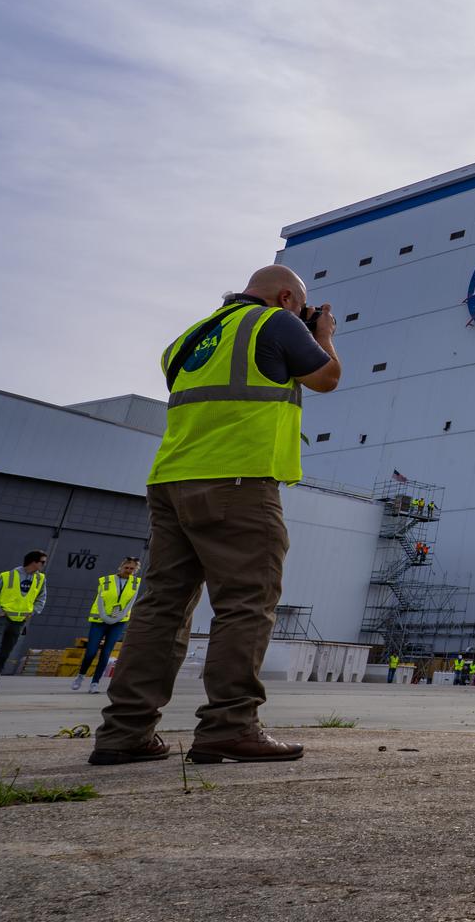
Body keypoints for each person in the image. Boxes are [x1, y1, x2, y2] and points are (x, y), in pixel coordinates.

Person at [90, 265, 341, 767]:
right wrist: (324, 336)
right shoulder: (276, 321)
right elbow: (326, 379)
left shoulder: (187, 339)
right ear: (288, 296)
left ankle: (124, 732)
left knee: (161, 606)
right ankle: (230, 726)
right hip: (239, 479)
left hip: (170, 481)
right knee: (246, 600)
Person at [0, 551, 49, 693]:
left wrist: (33, 611)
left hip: (19, 622)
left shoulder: (41, 579)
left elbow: (41, 598)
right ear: (33, 562)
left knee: (5, 652)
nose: (44, 565)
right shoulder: (7, 576)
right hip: (1, 619)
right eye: (42, 562)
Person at [72, 556, 141, 693]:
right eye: (126, 567)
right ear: (121, 567)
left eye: (132, 569)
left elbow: (130, 602)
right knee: (91, 652)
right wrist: (105, 616)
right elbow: (100, 599)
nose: (128, 570)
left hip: (118, 622)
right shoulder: (106, 580)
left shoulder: (135, 583)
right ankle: (80, 676)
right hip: (100, 620)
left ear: (135, 570)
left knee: (105, 654)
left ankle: (95, 683)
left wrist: (119, 617)